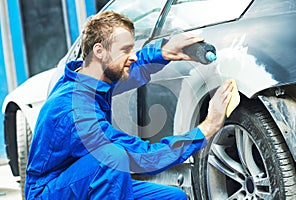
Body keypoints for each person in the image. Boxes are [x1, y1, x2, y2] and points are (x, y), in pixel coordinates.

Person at [25, 10, 234, 200]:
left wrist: (163, 52)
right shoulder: (76, 111)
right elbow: (144, 157)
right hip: (50, 192)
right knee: (111, 157)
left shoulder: (88, 76)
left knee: (173, 197)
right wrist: (205, 129)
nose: (132, 56)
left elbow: (129, 73)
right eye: (125, 50)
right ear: (99, 51)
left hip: (82, 181)